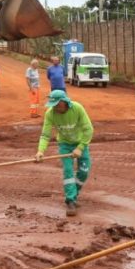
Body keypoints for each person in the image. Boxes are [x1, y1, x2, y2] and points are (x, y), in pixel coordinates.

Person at [35, 89, 93, 217]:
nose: (54, 107)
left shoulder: (77, 108)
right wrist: (40, 151)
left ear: (63, 102)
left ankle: (74, 195)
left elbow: (88, 130)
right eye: (52, 105)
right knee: (68, 172)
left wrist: (81, 147)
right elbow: (45, 135)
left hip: (80, 144)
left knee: (84, 172)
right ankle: (70, 201)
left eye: (56, 104)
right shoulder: (50, 114)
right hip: (65, 145)